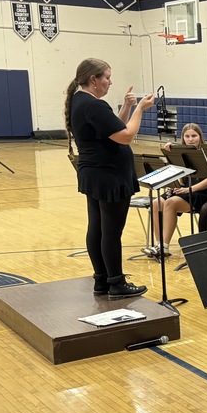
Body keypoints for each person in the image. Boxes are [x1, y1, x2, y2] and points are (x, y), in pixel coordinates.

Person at [65, 58, 154, 299]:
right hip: (109, 175)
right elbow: (125, 136)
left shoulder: (81, 100)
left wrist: (126, 108)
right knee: (111, 231)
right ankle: (116, 282)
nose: (110, 82)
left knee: (98, 228)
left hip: (95, 173)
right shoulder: (94, 105)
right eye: (106, 77)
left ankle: (102, 280)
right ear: (93, 79)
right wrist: (139, 110)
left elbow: (113, 127)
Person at [146, 123, 207, 258]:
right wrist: (171, 159)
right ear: (183, 138)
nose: (191, 139)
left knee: (171, 203)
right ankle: (158, 244)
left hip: (202, 193)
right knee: (156, 203)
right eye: (187, 136)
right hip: (185, 190)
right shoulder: (181, 153)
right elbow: (181, 179)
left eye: (194, 136)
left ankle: (165, 247)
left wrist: (189, 189)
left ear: (200, 137)